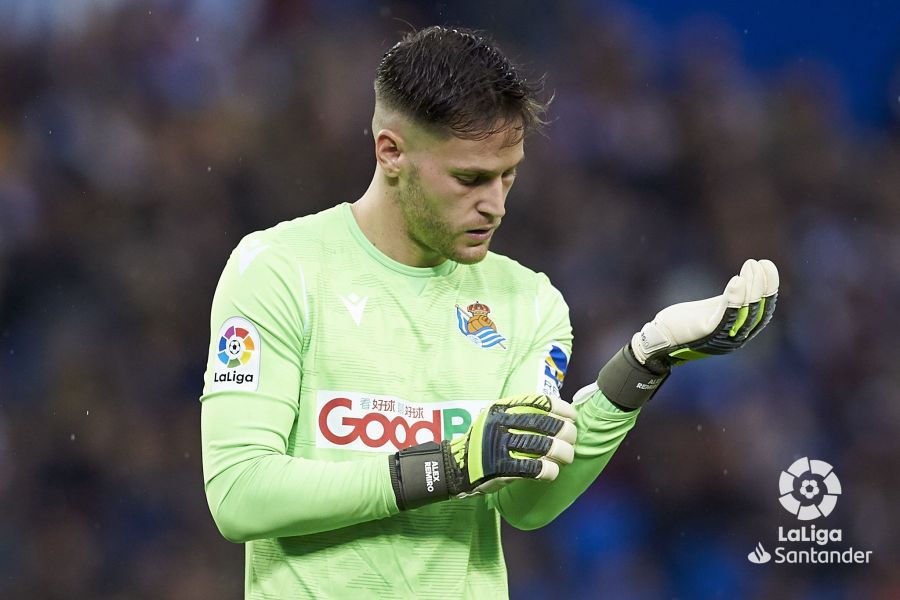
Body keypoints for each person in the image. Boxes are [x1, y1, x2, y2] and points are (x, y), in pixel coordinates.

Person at [200, 26, 779, 599]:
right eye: (469, 179)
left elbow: (524, 501)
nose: (496, 205)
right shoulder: (280, 269)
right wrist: (448, 465)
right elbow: (240, 494)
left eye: (509, 175)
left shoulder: (527, 302)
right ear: (391, 153)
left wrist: (644, 362)